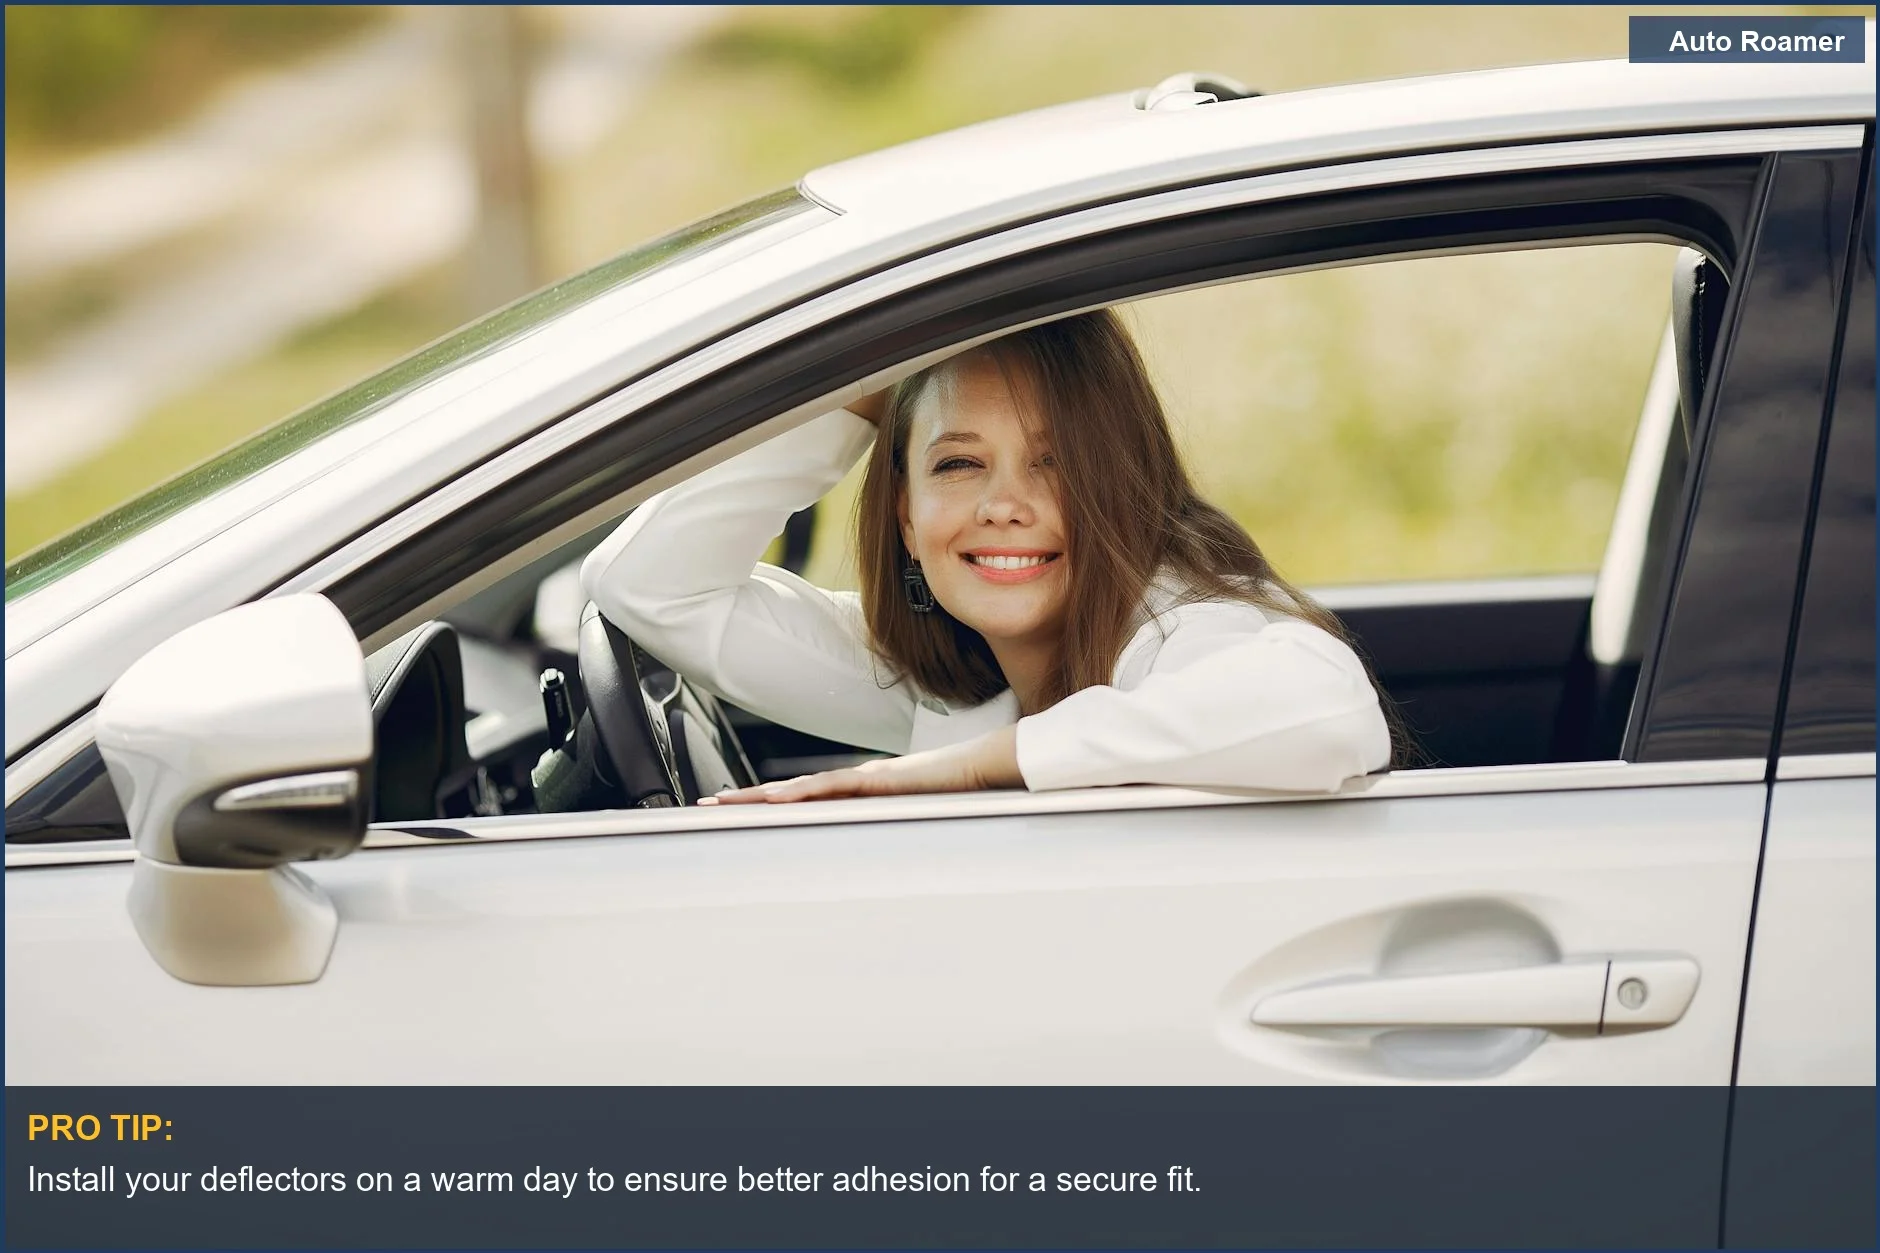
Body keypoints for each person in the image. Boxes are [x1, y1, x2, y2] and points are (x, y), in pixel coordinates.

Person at [581, 308, 1392, 804]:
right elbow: (648, 586)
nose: (1006, 504)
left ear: (1122, 484)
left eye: (1056, 462)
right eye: (959, 464)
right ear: (906, 515)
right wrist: (864, 391)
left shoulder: (1180, 621)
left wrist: (953, 776)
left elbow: (1323, 709)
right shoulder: (944, 682)